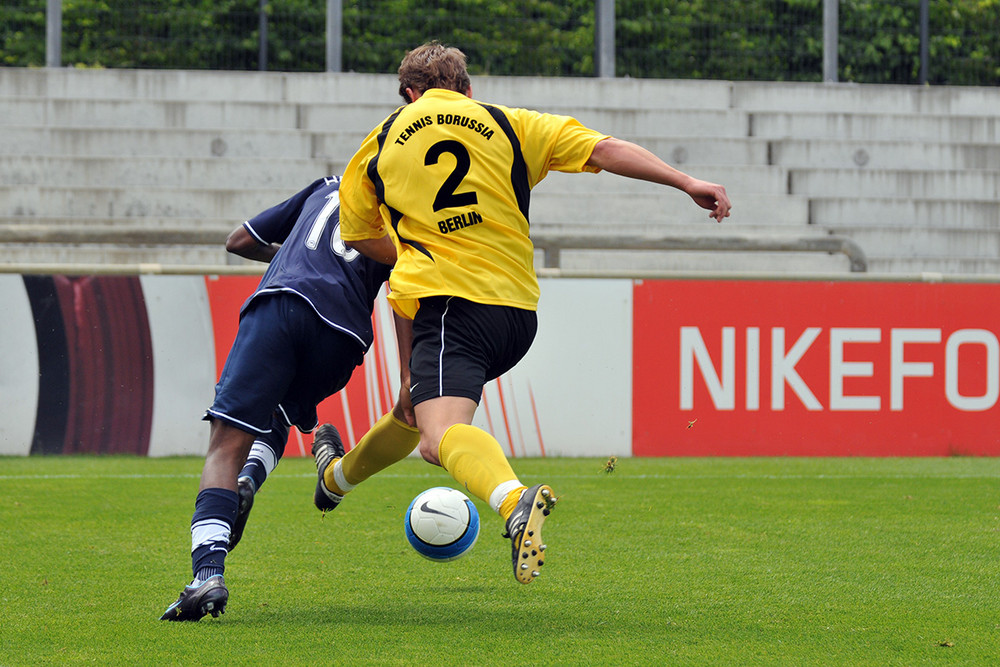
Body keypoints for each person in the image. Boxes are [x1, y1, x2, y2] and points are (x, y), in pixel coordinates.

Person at [335, 41, 732, 584]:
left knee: (437, 435)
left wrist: (414, 248)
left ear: (408, 95)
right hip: (517, 314)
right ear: (468, 89)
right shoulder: (508, 123)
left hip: (450, 306)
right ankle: (334, 481)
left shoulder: (379, 143)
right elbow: (603, 149)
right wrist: (687, 182)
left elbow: (357, 233)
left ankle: (514, 500)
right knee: (412, 410)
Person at [160, 175, 420, 621]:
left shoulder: (328, 185)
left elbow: (239, 241)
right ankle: (250, 481)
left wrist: (293, 255)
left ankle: (206, 575)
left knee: (227, 444)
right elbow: (408, 292)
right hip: (343, 333)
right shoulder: (412, 211)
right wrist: (407, 379)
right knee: (278, 412)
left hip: (282, 303)